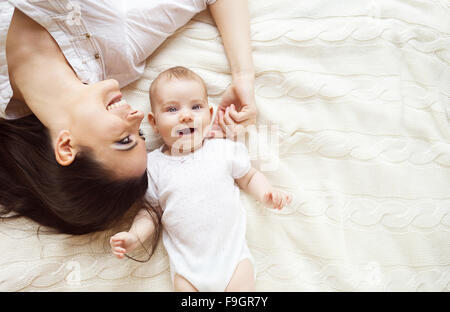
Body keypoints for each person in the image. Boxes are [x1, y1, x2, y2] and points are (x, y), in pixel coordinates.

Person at [0, 0, 257, 237]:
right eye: (140, 134)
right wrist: (243, 77)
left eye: (124, 139)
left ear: (67, 146)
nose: (136, 116)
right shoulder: (119, 49)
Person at [110, 66, 292, 292]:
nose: (186, 116)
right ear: (154, 123)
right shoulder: (154, 165)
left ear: (210, 114)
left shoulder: (224, 150)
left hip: (232, 261)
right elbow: (150, 211)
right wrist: (134, 236)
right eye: (172, 109)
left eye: (196, 107)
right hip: (188, 270)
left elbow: (249, 176)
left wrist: (266, 193)